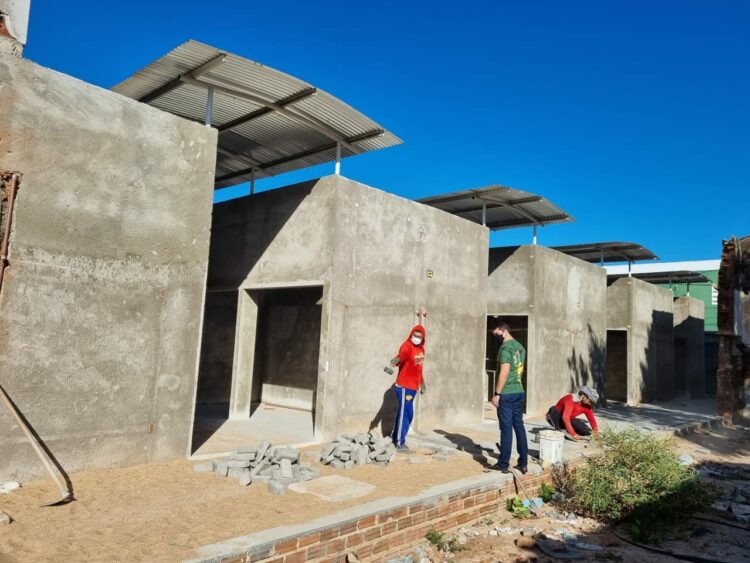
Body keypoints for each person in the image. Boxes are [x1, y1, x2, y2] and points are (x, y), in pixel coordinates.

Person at [490, 323, 528, 473]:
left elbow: (504, 371)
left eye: (497, 334)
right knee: (519, 426)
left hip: (506, 393)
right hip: (519, 391)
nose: (496, 337)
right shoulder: (520, 347)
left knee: (506, 429)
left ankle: (503, 464)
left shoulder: (505, 348)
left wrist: (497, 393)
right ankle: (523, 463)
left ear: (504, 332)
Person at [389, 325, 426, 451]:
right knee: (405, 414)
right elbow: (402, 355)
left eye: (419, 337)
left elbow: (418, 368)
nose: (416, 338)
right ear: (411, 335)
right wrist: (395, 361)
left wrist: (422, 383)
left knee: (407, 414)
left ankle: (396, 438)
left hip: (413, 387)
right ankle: (399, 442)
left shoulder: (421, 350)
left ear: (423, 338)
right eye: (414, 335)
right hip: (404, 386)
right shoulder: (407, 346)